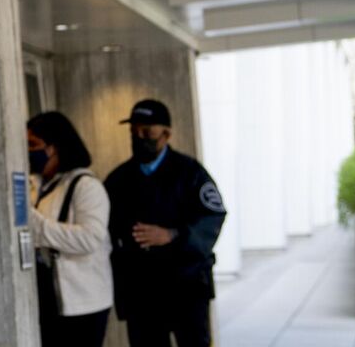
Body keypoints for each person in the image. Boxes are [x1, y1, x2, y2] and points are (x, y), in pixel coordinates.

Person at [104, 100, 225, 347]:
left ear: (166, 134)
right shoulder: (119, 180)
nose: (139, 137)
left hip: (186, 287)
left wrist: (172, 235)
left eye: (147, 132)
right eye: (134, 132)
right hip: (142, 291)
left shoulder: (190, 173)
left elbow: (212, 216)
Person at [26, 112, 112, 346]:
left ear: (54, 147)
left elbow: (90, 238)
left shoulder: (86, 186)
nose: (28, 151)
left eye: (33, 145)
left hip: (83, 301)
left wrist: (39, 227)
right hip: (51, 298)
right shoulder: (40, 185)